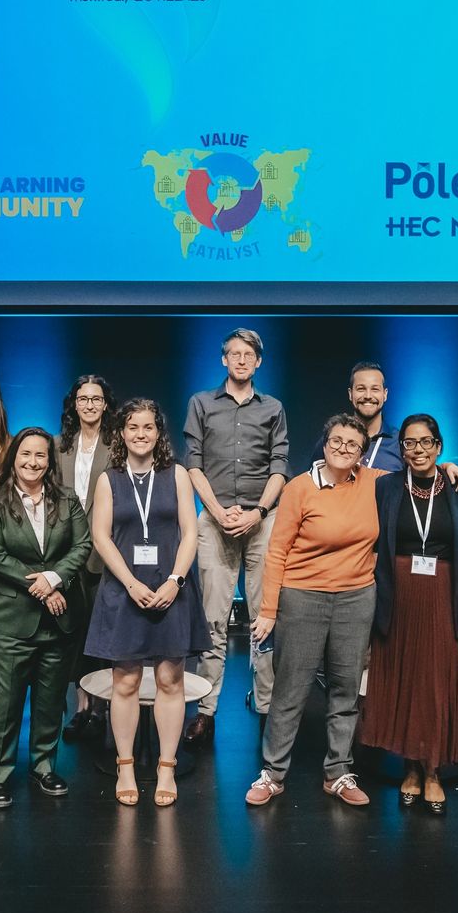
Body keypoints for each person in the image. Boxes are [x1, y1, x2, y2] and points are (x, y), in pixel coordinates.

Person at [244, 414, 383, 809]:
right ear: (325, 444)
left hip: (356, 599)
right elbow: (277, 552)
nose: (343, 448)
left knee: (345, 690)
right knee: (290, 691)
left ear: (361, 453)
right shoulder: (300, 487)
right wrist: (268, 609)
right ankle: (272, 774)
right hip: (302, 598)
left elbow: (419, 471)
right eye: (336, 440)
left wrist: (449, 467)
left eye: (352, 444)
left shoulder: (375, 482)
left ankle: (338, 772)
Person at [86, 399, 209, 807]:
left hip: (171, 589)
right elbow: (101, 538)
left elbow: (190, 533)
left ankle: (166, 767)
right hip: (125, 590)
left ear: (159, 433)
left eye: (149, 427)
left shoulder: (176, 475)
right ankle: (125, 766)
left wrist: (175, 580)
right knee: (125, 682)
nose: (141, 433)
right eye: (133, 427)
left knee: (171, 681)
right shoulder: (110, 479)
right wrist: (130, 583)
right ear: (121, 433)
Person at [359, 414, 458, 814]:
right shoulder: (386, 486)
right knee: (406, 682)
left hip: (442, 594)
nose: (418, 450)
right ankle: (409, 768)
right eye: (409, 443)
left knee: (435, 683)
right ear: (400, 449)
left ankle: (434, 770)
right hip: (398, 595)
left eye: (426, 442)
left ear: (439, 446)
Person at [0, 427, 93, 808]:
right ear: (14, 457)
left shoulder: (68, 499)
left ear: (50, 461)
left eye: (40, 455)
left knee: (49, 700)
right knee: (5, 703)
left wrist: (54, 578)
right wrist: (43, 585)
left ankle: (44, 766)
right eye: (25, 454)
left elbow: (83, 545)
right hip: (9, 622)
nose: (32, 462)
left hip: (59, 621)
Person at [183, 327, 289, 746]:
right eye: (234, 354)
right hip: (215, 517)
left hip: (262, 520)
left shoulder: (273, 407)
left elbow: (280, 465)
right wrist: (218, 511)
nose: (241, 360)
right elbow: (194, 464)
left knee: (265, 618)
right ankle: (206, 711)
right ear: (223, 360)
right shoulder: (201, 403)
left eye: (249, 354)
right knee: (212, 618)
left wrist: (258, 512)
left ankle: (266, 708)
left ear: (259, 361)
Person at [55, 374, 118, 740]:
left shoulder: (116, 444)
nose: (90, 405)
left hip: (104, 552)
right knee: (73, 636)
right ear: (74, 404)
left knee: (102, 635)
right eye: (83, 398)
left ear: (105, 404)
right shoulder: (58, 444)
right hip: (65, 551)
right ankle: (80, 707)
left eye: (96, 398)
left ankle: (101, 707)